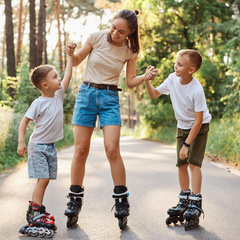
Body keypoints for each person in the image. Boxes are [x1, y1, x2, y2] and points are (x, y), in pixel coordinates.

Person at [63, 9, 158, 229]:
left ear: (130, 33)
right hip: (86, 95)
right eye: (113, 27)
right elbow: (76, 61)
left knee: (112, 148)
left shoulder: (130, 50)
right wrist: (70, 51)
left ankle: (122, 200)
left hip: (110, 98)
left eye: (121, 31)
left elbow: (131, 81)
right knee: (80, 150)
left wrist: (147, 76)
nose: (114, 33)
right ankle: (74, 199)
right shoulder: (96, 37)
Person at [144, 49, 211, 230]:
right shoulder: (172, 79)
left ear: (191, 70)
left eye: (180, 64)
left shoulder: (197, 89)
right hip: (182, 126)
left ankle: (195, 201)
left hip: (199, 128)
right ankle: (184, 198)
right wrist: (147, 81)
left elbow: (198, 121)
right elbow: (154, 94)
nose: (176, 66)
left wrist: (187, 145)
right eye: (176, 62)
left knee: (193, 164)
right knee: (181, 163)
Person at [17, 49, 74, 236]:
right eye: (54, 77)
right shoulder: (38, 103)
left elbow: (68, 75)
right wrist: (21, 142)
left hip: (50, 146)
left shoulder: (58, 96)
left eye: (57, 76)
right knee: (44, 179)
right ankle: (35, 212)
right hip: (37, 146)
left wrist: (70, 56)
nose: (59, 79)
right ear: (45, 85)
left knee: (46, 179)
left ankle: (37, 211)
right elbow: (24, 121)